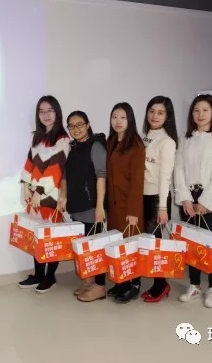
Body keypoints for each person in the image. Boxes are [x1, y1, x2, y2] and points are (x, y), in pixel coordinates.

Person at [174, 94, 212, 308]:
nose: (200, 114)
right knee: (192, 244)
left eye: (205, 110)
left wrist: (206, 201)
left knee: (210, 246)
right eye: (196, 110)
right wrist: (185, 198)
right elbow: (178, 169)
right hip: (189, 199)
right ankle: (194, 285)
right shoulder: (185, 137)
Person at [19, 95, 71, 293]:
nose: (46, 115)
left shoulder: (63, 139)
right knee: (37, 236)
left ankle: (50, 277)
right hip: (34, 197)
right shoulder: (37, 138)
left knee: (50, 239)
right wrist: (26, 184)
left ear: (57, 113)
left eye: (50, 111)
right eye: (42, 111)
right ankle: (38, 274)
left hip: (51, 196)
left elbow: (56, 168)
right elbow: (29, 163)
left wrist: (40, 190)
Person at [58, 111, 108, 302]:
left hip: (91, 206)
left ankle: (100, 287)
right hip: (76, 206)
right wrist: (63, 197)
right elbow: (65, 176)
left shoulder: (95, 146)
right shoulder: (74, 147)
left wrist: (100, 207)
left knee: (96, 248)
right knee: (85, 248)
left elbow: (101, 177)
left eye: (80, 124)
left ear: (87, 125)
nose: (76, 129)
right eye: (71, 126)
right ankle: (89, 281)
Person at [139, 96, 178, 303]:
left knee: (155, 244)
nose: (155, 116)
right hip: (140, 195)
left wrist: (162, 207)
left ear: (167, 116)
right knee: (145, 241)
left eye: (160, 113)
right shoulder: (143, 136)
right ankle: (150, 281)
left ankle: (161, 284)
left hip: (156, 198)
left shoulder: (167, 142)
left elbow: (165, 177)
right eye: (152, 111)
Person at [105, 102, 145, 303]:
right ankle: (121, 281)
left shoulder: (136, 145)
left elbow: (137, 182)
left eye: (123, 117)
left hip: (129, 206)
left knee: (131, 245)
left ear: (130, 120)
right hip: (113, 205)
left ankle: (134, 284)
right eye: (114, 117)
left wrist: (133, 211)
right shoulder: (111, 141)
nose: (118, 121)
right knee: (117, 245)